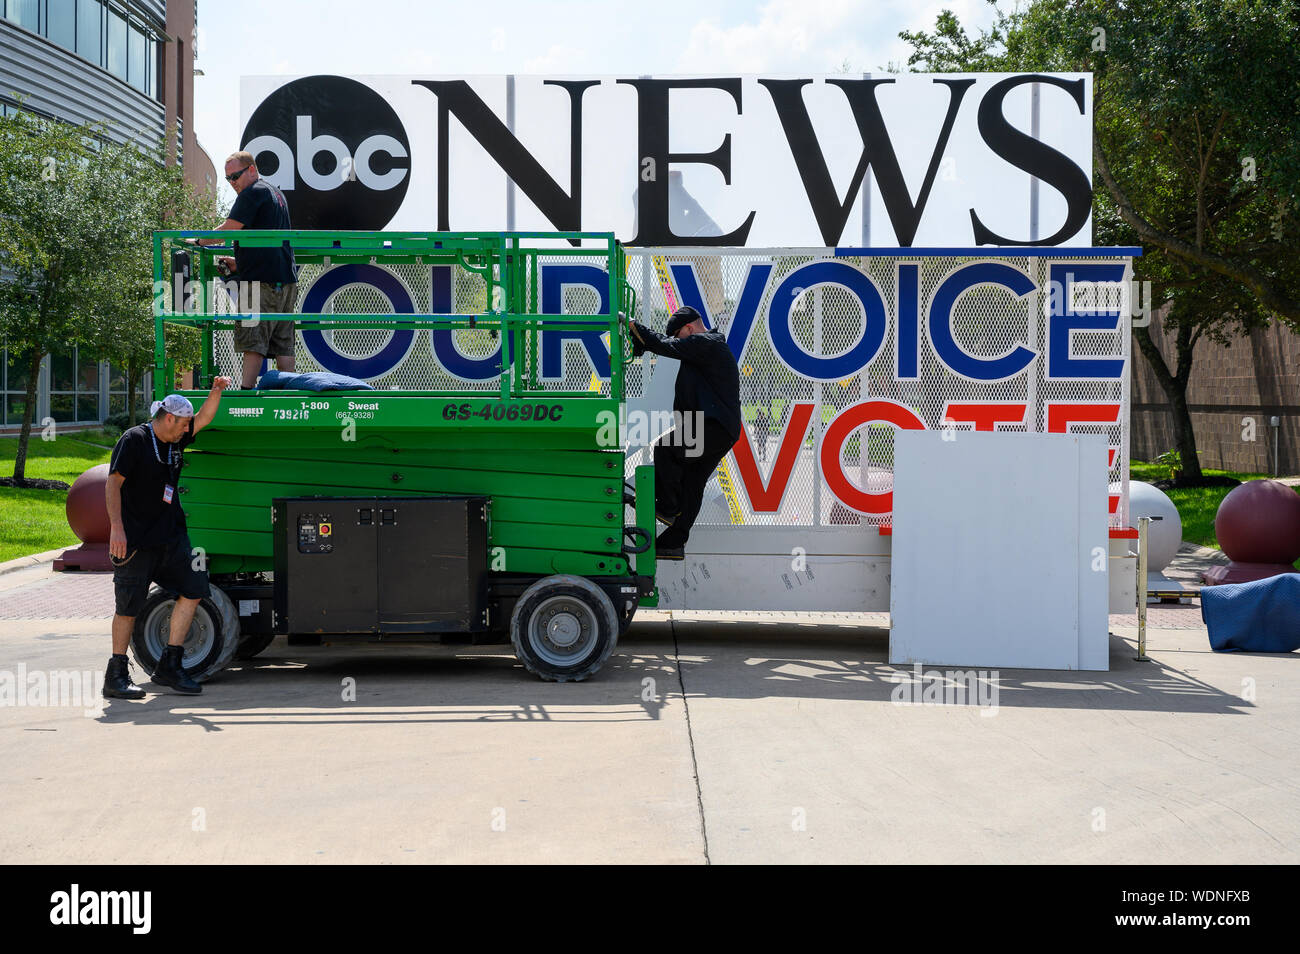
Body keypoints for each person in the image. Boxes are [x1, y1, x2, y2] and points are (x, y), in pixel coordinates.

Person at [103, 380, 233, 699]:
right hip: (135, 541)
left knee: (194, 587)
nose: (188, 429)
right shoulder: (134, 440)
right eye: (184, 423)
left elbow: (204, 417)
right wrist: (116, 529)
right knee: (128, 607)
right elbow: (112, 484)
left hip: (171, 538)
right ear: (169, 418)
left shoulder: (176, 440)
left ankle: (170, 665)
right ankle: (116, 674)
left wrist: (217, 390)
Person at [626, 306, 740, 560]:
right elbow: (663, 345)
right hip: (722, 429)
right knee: (693, 481)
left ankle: (668, 506)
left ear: (689, 328)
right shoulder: (704, 350)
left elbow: (666, 345)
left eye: (679, 335)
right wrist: (641, 341)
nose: (678, 342)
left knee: (666, 449)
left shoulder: (706, 342)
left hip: (715, 426)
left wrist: (633, 324)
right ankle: (673, 543)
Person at [188, 150, 297, 388]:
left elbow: (230, 229)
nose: (232, 183)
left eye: (235, 176)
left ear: (251, 170)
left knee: (252, 340)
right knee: (283, 343)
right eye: (228, 179)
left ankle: (245, 395)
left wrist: (198, 241)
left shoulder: (252, 193)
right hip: (286, 281)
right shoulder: (276, 193)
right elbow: (267, 241)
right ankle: (293, 394)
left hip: (258, 283)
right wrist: (240, 263)